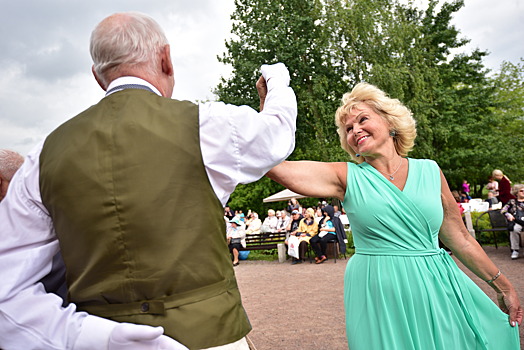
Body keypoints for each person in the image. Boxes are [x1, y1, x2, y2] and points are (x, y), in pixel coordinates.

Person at [0, 12, 297, 350]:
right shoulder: (206, 125)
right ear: (166, 59)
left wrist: (89, 336)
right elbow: (278, 133)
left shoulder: (44, 156)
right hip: (211, 337)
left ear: (99, 77)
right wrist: (277, 82)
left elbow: (6, 289)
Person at [267, 82, 522, 349]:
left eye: (363, 119)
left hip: (435, 284)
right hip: (377, 290)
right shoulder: (345, 176)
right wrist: (272, 111)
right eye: (348, 129)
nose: (356, 130)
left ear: (390, 123)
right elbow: (276, 167)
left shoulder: (430, 171)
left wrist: (504, 287)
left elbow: (460, 238)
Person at [500, 184, 524, 260]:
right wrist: (508, 215)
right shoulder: (512, 202)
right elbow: (503, 210)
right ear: (516, 192)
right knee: (514, 229)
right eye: (521, 191)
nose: (523, 192)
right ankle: (515, 250)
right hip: (517, 221)